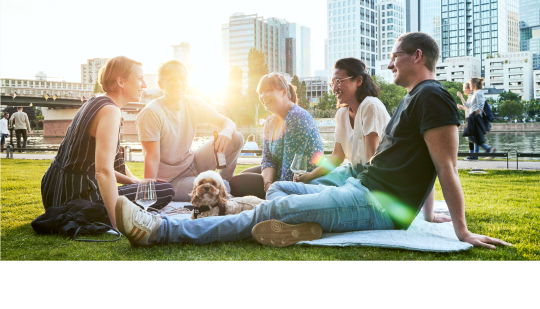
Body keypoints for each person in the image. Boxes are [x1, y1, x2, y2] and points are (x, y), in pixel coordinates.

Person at [113, 32, 509, 250]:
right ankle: (303, 226)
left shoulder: (434, 96)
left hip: (373, 202)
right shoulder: (413, 98)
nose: (389, 63)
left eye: (394, 56)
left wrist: (461, 230)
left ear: (417, 56)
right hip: (362, 187)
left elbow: (445, 166)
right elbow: (416, 164)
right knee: (280, 195)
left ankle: (162, 230)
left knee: (269, 210)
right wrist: (426, 214)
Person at [40, 56, 175, 230]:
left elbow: (105, 166)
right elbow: (102, 171)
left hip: (55, 191)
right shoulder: (110, 111)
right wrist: (117, 224)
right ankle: (107, 216)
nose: (144, 85)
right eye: (140, 79)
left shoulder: (96, 102)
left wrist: (135, 182)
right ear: (121, 81)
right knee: (165, 190)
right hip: (76, 197)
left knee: (154, 188)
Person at [136, 60, 243, 202]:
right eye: (172, 79)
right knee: (226, 189)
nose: (178, 83)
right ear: (160, 84)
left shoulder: (193, 103)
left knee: (236, 138)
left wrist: (226, 132)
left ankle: (223, 180)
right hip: (172, 180)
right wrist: (149, 194)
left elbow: (227, 122)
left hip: (193, 162)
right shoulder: (151, 113)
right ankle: (225, 189)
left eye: (182, 78)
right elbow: (152, 158)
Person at [227, 72, 324, 199]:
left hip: (300, 182)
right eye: (260, 92)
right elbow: (268, 159)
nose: (262, 96)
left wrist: (273, 190)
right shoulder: (270, 122)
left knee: (236, 183)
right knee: (239, 178)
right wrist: (268, 184)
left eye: (267, 91)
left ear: (283, 92)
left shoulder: (296, 117)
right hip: (279, 173)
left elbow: (290, 170)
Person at [296, 58, 390, 187]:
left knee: (321, 193)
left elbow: (371, 160)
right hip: (354, 171)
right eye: (332, 83)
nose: (334, 88)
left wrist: (353, 187)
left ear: (358, 80)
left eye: (339, 81)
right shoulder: (341, 113)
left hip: (378, 179)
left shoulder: (370, 106)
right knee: (309, 184)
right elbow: (337, 156)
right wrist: (310, 176)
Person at [467, 77, 496, 158]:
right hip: (474, 118)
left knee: (471, 136)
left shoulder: (479, 93)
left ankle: (489, 148)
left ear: (474, 84)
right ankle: (476, 156)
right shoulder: (476, 93)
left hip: (476, 118)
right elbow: (470, 105)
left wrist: (473, 115)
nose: (470, 86)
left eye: (470, 84)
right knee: (475, 137)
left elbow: (480, 106)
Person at [457, 83, 477, 160]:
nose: (463, 90)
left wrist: (463, 108)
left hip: (471, 119)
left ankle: (472, 155)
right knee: (470, 137)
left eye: (464, 88)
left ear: (469, 89)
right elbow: (467, 105)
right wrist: (461, 97)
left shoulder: (472, 97)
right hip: (470, 119)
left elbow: (472, 110)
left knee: (470, 137)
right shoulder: (470, 97)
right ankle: (473, 155)